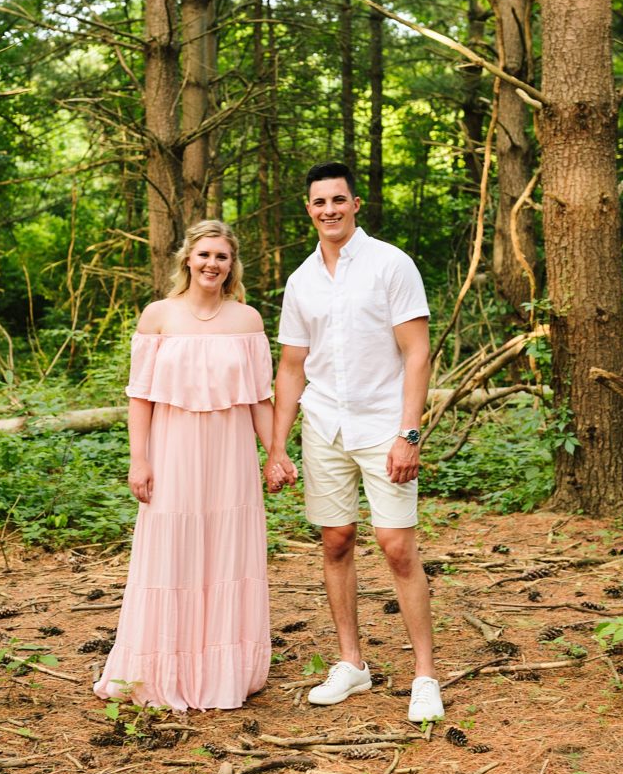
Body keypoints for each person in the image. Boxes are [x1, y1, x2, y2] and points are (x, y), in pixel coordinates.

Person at [264, 161, 443, 722]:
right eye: (319, 203)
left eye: (338, 200)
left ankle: (425, 676)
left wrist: (409, 434)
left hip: (383, 425)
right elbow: (292, 368)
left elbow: (417, 352)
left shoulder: (391, 264)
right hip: (324, 426)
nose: (329, 211)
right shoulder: (301, 280)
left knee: (396, 546)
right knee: (336, 541)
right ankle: (352, 664)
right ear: (309, 208)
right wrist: (276, 446)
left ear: (355, 203)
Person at [93, 220, 275, 711]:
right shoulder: (158, 317)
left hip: (231, 454)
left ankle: (223, 671)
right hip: (172, 450)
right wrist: (139, 460)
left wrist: (276, 453)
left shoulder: (248, 320)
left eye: (222, 256)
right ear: (187, 261)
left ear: (231, 265)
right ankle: (158, 667)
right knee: (171, 548)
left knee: (226, 551)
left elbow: (260, 399)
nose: (212, 264)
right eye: (204, 255)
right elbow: (140, 398)